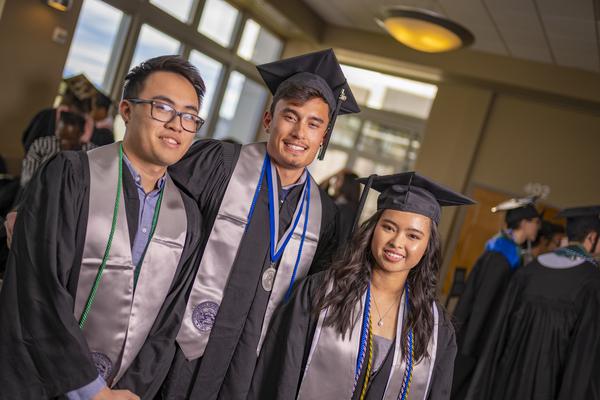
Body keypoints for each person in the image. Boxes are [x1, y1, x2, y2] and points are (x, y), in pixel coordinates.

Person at [157, 48, 361, 400]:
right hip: (177, 349)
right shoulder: (218, 163)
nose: (299, 133)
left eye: (314, 124)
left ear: (324, 137)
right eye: (290, 117)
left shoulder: (324, 215)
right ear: (269, 120)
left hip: (247, 371)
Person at [0, 55, 205, 400]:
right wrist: (93, 392)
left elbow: (166, 325)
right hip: (41, 385)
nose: (176, 125)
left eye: (189, 116)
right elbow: (37, 288)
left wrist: (127, 393)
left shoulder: (188, 217)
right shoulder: (70, 176)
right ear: (127, 110)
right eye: (162, 108)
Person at [248, 171, 476, 400]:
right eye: (389, 227)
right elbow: (278, 372)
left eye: (413, 236)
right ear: (372, 230)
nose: (397, 242)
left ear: (428, 246)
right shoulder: (322, 293)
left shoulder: (435, 329)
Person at [465, 206, 600, 400]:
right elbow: (585, 357)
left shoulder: (532, 269)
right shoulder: (592, 282)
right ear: (593, 238)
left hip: (507, 381)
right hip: (551, 387)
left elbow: (501, 333)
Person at [451, 196, 542, 400]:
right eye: (537, 222)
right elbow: (484, 303)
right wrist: (477, 340)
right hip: (477, 333)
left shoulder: (509, 251)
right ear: (524, 223)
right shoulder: (501, 255)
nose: (539, 227)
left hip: (479, 331)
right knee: (458, 382)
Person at [20, 111, 97, 187]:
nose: (64, 142)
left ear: (82, 133)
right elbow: (26, 176)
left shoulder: (92, 152)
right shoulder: (41, 146)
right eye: (61, 136)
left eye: (71, 139)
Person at [321, 168, 361, 241]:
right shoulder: (339, 203)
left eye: (339, 180)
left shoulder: (345, 210)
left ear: (346, 184)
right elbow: (320, 191)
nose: (335, 183)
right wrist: (336, 173)